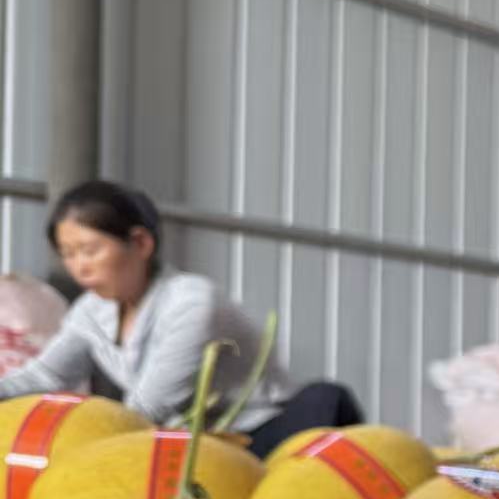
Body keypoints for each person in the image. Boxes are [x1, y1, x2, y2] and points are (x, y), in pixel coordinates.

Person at [0, 181, 363, 457]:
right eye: (68, 254)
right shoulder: (91, 310)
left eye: (90, 250)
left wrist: (76, 452)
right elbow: (46, 376)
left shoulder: (192, 301)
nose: (80, 266)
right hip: (193, 446)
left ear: (141, 244)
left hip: (260, 437)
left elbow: (150, 408)